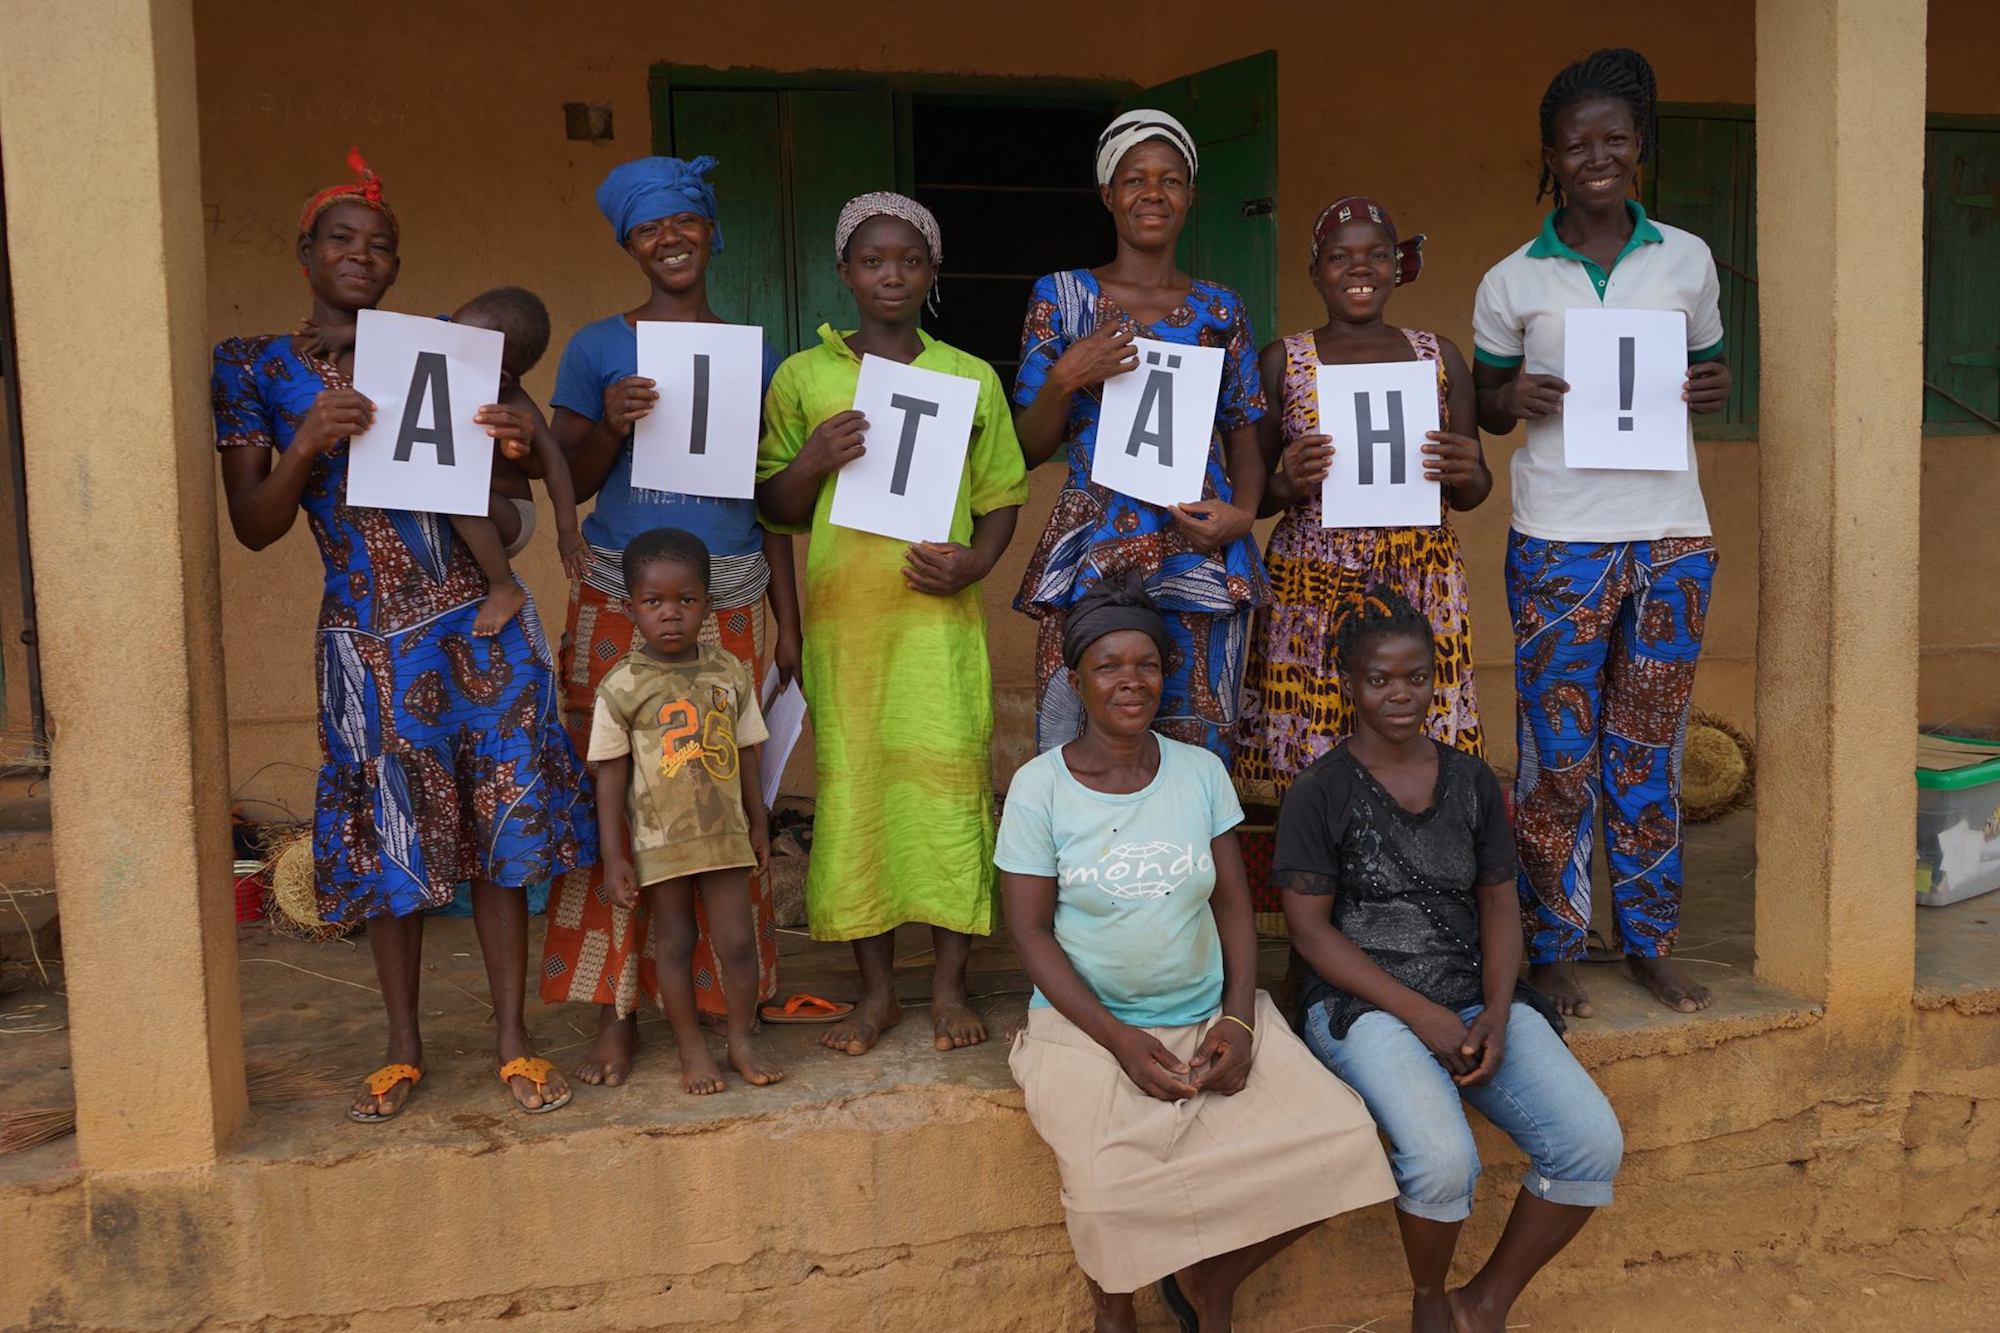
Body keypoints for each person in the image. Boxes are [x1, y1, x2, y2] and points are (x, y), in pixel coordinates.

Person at [212, 151, 596, 1121]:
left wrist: (512, 439)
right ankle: (401, 1046)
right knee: (390, 841)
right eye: (342, 239)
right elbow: (254, 524)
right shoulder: (255, 366)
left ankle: (512, 1040)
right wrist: (307, 441)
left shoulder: (431, 353)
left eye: (381, 244)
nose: (363, 255)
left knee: (504, 828)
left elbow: (498, 489)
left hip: (483, 627)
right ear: (306, 252)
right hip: (368, 638)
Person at [999, 580, 1395, 1333]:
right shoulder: (1038, 789)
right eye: (1109, 665)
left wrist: (1240, 1019)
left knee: (1345, 1143)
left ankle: (1212, 1283)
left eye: (1146, 663)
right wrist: (1117, 1040)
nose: (1130, 680)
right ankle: (1112, 1307)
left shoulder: (1199, 772)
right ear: (1076, 679)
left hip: (1208, 1012)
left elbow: (1234, 906)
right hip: (1089, 1026)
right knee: (1105, 1191)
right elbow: (1031, 936)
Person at [1279, 588, 1622, 1333]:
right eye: (1379, 679)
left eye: (1414, 677)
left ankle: (1483, 1304)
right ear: (1349, 682)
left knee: (1589, 1143)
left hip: (1472, 991)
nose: (1399, 695)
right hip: (1361, 1004)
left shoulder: (1469, 782)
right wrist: (1424, 1016)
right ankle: (1430, 1298)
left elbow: (1500, 903)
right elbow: (1310, 933)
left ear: (1437, 677)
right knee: (1442, 1160)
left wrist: (1497, 1010)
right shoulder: (1321, 790)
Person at [1471, 48, 1732, 1017]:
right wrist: (1511, 394)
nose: (1595, 155)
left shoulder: (1686, 259)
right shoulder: (1510, 280)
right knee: (1556, 756)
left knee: (1647, 752)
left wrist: (1714, 387)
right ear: (1548, 152)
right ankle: (1549, 945)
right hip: (1557, 541)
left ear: (1638, 148)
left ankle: (1647, 940)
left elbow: (1707, 371)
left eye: (1613, 138)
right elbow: (1483, 403)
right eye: (1575, 141)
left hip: (1670, 536)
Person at [538, 156, 800, 1087]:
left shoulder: (759, 353)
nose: (671, 239)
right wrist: (609, 422)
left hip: (729, 598)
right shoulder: (597, 346)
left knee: (719, 806)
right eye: (651, 229)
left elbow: (770, 499)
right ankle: (618, 1010)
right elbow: (563, 467)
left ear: (710, 228)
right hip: (618, 593)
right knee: (617, 796)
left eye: (685, 220)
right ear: (628, 243)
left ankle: (731, 999)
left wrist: (787, 614)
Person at [756, 192, 1028, 1057]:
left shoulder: (968, 376)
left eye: (910, 260)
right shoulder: (804, 377)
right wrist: (812, 460)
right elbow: (773, 507)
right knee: (858, 794)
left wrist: (976, 563)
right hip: (848, 628)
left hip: (937, 627)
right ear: (844, 272)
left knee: (948, 797)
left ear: (932, 274)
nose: (891, 274)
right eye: (873, 260)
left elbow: (1000, 498)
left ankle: (948, 985)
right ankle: (876, 993)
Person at [1013, 109, 1268, 765]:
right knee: (1082, 743)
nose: (1152, 194)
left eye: (1171, 180)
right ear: (1107, 194)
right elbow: (1028, 445)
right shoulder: (1063, 298)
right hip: (1096, 551)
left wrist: (1240, 514)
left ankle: (1189, 869)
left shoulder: (1222, 308)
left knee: (1198, 753)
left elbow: (1245, 429)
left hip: (1196, 545)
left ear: (1190, 196)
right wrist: (1065, 378)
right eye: (1134, 179)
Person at [1237, 195, 1490, 806]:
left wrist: (1466, 468)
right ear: (1315, 271)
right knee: (1313, 746)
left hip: (1419, 573)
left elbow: (1476, 487)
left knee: (1413, 731)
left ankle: (1411, 876)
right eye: (1339, 257)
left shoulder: (1439, 357)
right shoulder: (1283, 361)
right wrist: (1287, 480)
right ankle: (1320, 875)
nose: (1360, 269)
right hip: (1313, 575)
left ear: (1398, 267)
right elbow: (1254, 497)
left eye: (1377, 255)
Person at [590, 528, 782, 1095]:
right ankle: (691, 1049)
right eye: (653, 602)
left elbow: (749, 754)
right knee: (673, 942)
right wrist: (612, 854)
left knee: (737, 942)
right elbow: (610, 776)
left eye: (685, 600)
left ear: (708, 604)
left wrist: (759, 822)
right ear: (631, 608)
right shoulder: (621, 686)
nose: (670, 614)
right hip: (659, 843)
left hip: (723, 836)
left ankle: (742, 1040)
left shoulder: (729, 673)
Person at [445, 286, 588, 634]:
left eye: (459, 345)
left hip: (511, 515)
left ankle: (503, 587)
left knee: (453, 494)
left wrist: (567, 532)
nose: (446, 348)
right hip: (477, 506)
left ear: (501, 377)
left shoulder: (514, 403)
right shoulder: (440, 381)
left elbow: (554, 464)